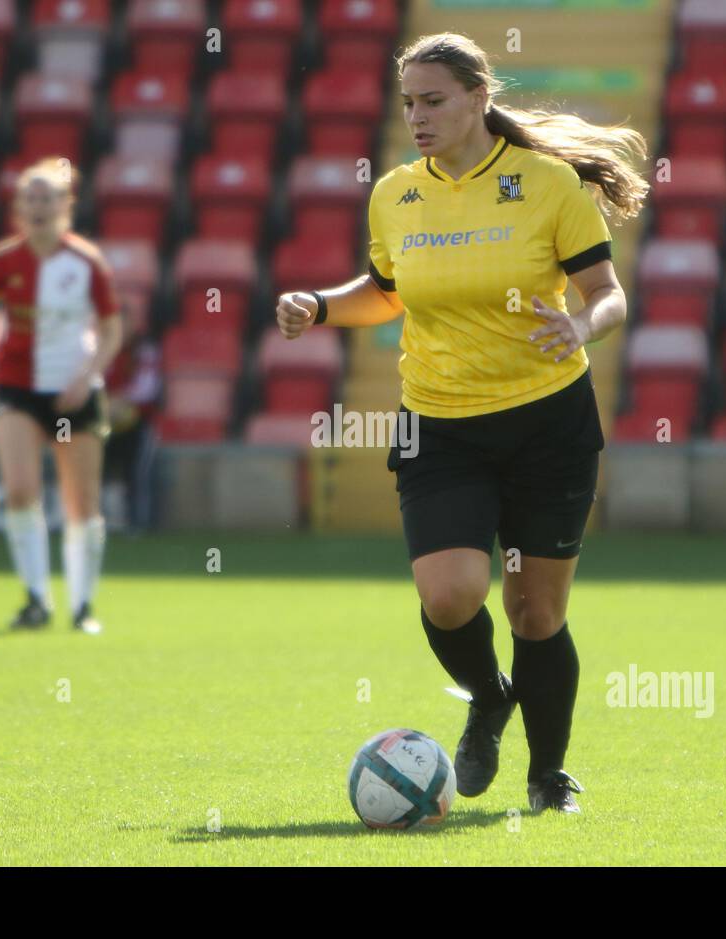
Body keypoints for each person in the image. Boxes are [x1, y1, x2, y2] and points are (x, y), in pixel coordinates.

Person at [275, 33, 648, 812]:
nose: (417, 116)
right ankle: (488, 695)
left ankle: (549, 778)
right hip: (437, 423)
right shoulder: (394, 193)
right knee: (450, 597)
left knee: (534, 610)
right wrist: (318, 305)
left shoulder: (547, 184)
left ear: (479, 97)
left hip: (548, 421)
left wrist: (583, 327)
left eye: (434, 100)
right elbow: (386, 291)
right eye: (409, 102)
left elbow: (608, 294)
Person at [0, 158, 123, 635]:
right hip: (17, 388)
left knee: (82, 505)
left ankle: (82, 606)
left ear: (66, 204)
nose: (38, 206)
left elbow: (113, 329)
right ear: (18, 206)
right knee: (18, 492)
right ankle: (36, 598)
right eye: (30, 197)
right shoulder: (0, 262)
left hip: (74, 391)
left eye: (47, 197)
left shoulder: (86, 262)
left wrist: (86, 379)